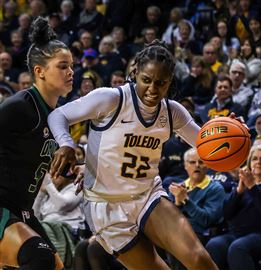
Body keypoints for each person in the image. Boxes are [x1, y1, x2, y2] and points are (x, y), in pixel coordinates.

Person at [48, 40, 218, 270]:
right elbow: (58, 115)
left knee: (199, 259)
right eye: (147, 80)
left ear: (169, 82)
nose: (152, 89)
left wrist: (229, 135)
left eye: (161, 83)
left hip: (147, 195)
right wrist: (66, 144)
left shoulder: (172, 112)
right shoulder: (110, 99)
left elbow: (208, 148)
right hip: (105, 206)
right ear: (135, 71)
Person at [0, 16, 74, 270]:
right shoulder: (20, 106)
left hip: (22, 209)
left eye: (71, 66)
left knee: (56, 267)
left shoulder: (58, 117)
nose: (71, 72)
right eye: (62, 66)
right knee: (38, 257)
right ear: (40, 71)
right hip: (2, 206)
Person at [206, 144, 261, 270]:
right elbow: (227, 213)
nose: (258, 162)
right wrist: (239, 191)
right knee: (214, 245)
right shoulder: (242, 184)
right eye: (255, 158)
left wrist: (252, 187)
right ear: (249, 162)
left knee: (238, 247)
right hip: (237, 233)